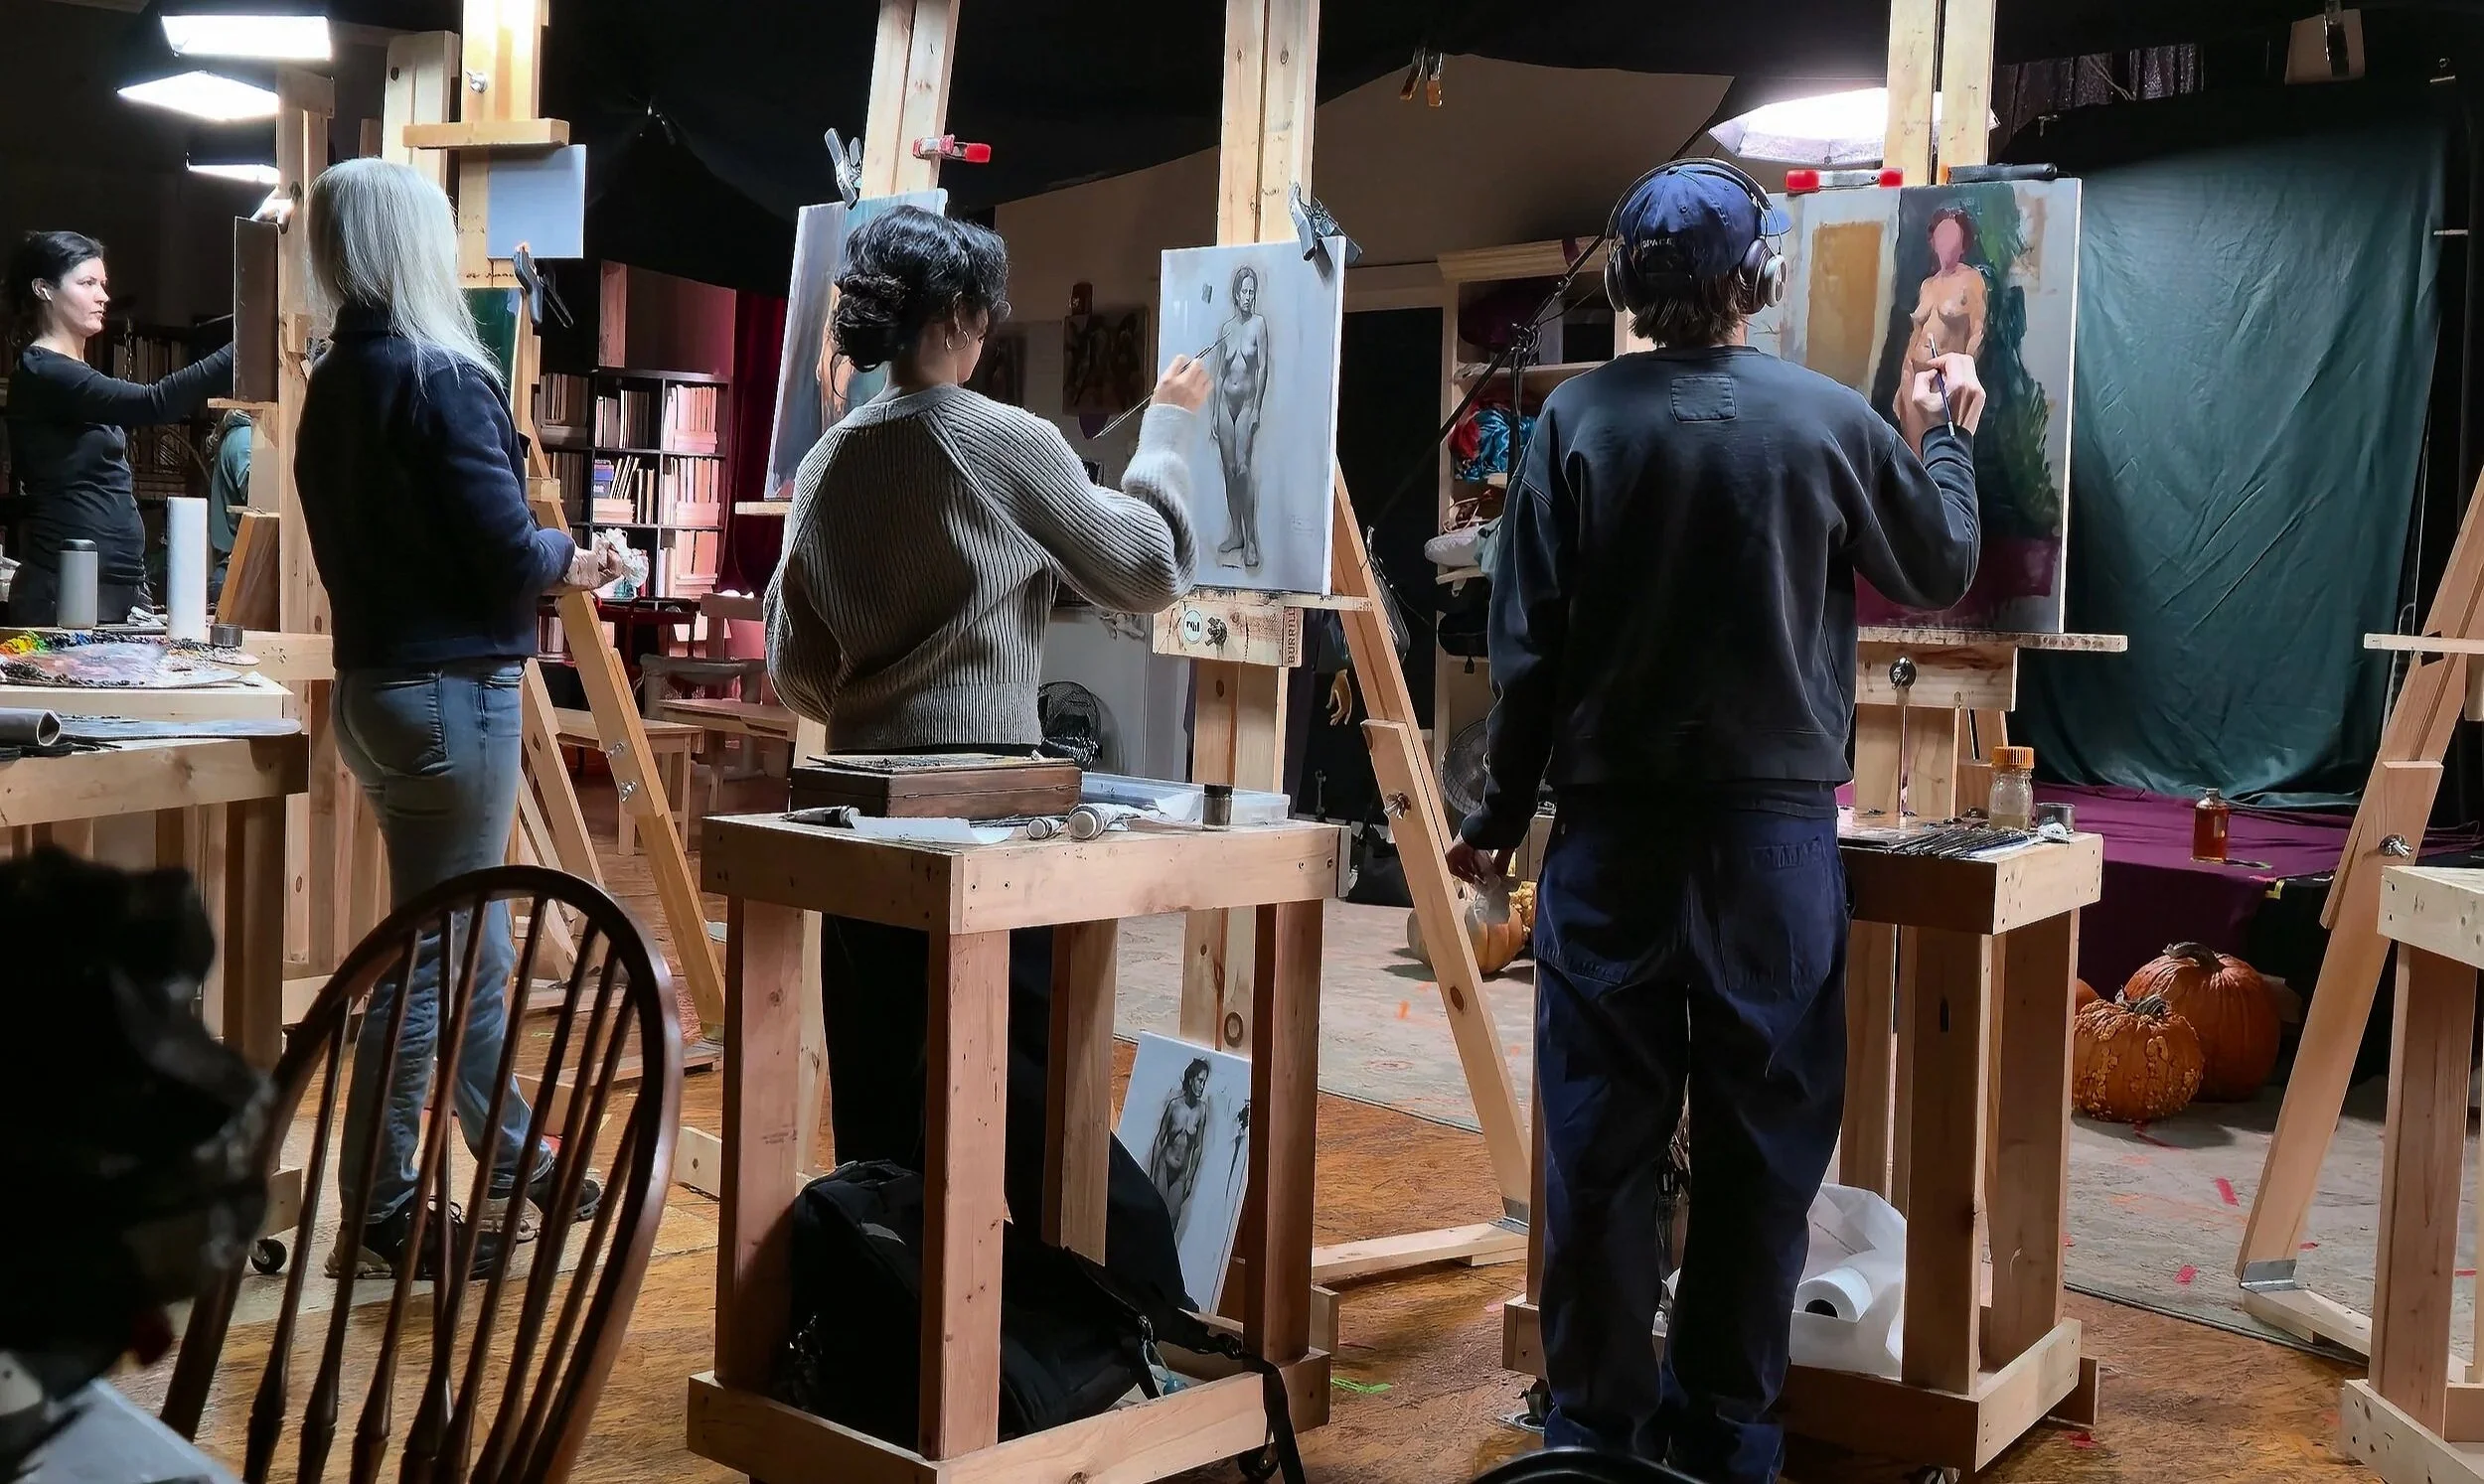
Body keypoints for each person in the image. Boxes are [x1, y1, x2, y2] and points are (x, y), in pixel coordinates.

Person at [1443, 159, 1985, 1484]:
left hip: (1614, 842)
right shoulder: (1826, 419)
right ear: (1763, 280)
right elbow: (1943, 566)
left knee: (1600, 1151)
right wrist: (1949, 429)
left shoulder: (1576, 424)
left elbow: (1532, 658)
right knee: (1760, 1161)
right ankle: (1727, 1444)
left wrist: (1492, 815)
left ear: (1629, 286)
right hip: (1772, 847)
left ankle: (1594, 1437)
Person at [766, 205, 1206, 1295]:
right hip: (989, 810)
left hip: (859, 803)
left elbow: (795, 666)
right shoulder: (1005, 439)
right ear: (961, 315)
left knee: (881, 1102)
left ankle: (889, 1331)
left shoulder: (827, 462)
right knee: (1026, 1092)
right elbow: (1147, 568)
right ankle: (1105, 1323)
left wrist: (884, 701)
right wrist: (1172, 438)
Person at [294, 158, 623, 1279]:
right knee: (431, 967)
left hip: (377, 692)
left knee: (469, 942)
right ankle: (384, 1214)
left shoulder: (339, 378)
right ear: (414, 247)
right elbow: (502, 548)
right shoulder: (444, 374)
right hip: (450, 700)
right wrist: (582, 556)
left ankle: (520, 1154)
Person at [6, 231, 233, 624]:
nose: (102, 297)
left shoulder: (73, 374)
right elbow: (153, 402)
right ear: (44, 290)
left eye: (103, 284)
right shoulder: (44, 372)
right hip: (67, 590)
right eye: (87, 283)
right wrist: (242, 348)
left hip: (115, 588)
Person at [1894, 205, 1988, 422]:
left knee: (1938, 450)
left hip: (1943, 382)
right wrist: (1903, 382)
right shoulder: (1927, 284)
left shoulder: (1972, 280)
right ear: (1933, 241)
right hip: (1913, 376)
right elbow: (1916, 333)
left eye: (1953, 236)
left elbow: (1977, 333)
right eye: (1941, 235)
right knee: (1912, 453)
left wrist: (1960, 380)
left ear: (1964, 244)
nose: (1946, 242)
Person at [1209, 264, 1270, 570]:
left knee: (1243, 468)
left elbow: (1261, 369)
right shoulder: (1227, 328)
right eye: (1244, 292)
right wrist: (1212, 412)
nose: (1249, 297)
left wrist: (1257, 406)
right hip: (1224, 405)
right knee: (1229, 470)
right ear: (1235, 294)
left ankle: (1252, 539)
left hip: (1245, 403)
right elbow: (1219, 373)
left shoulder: (1259, 325)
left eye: (1252, 292)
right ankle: (1235, 533)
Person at [202, 408, 250, 604]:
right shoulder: (245, 438)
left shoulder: (240, 436)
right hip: (236, 575)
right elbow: (259, 494)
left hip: (233, 573)